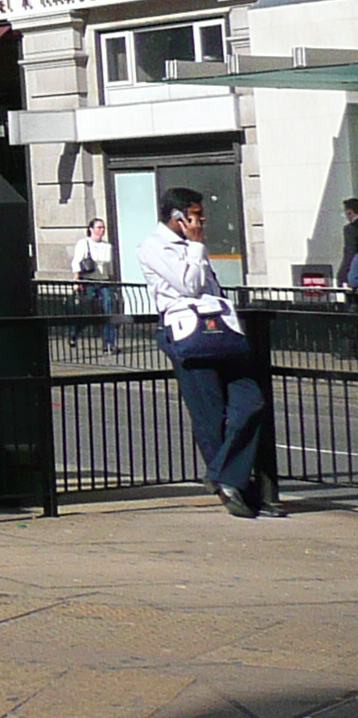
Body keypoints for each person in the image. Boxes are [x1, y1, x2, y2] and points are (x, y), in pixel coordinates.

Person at [138, 187, 280, 518]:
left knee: (251, 402)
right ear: (178, 217)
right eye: (197, 215)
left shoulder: (192, 246)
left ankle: (221, 477)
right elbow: (188, 285)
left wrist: (196, 247)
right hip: (188, 334)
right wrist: (197, 246)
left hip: (221, 333)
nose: (203, 221)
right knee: (209, 414)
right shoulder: (154, 247)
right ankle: (240, 491)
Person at [70, 216, 117, 351]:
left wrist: (112, 281)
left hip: (104, 281)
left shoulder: (107, 246)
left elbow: (110, 267)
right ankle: (74, 333)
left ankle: (110, 343)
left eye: (103, 228)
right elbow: (76, 262)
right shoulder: (83, 243)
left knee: (109, 309)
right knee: (87, 311)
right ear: (91, 229)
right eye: (99, 227)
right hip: (89, 281)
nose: (102, 230)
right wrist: (77, 280)